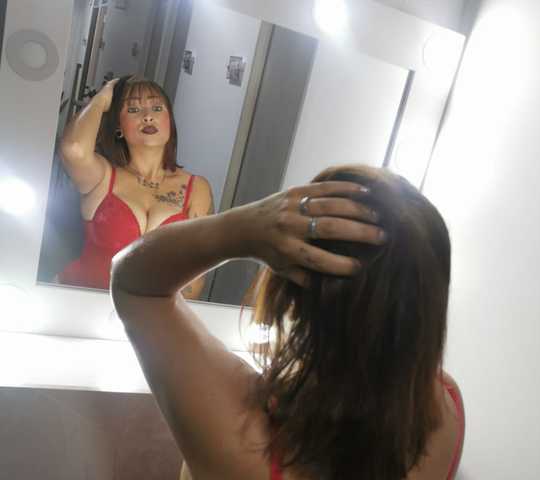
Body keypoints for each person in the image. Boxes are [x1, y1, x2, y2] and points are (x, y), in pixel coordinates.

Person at [111, 165, 465, 480]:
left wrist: (238, 230)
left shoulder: (246, 446)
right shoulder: (444, 407)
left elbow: (135, 285)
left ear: (293, 283)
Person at [56, 75, 212, 300]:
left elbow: (195, 278)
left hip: (147, 315)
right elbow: (74, 148)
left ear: (169, 121)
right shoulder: (103, 176)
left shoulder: (196, 188)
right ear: (119, 127)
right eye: (133, 110)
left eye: (157, 108)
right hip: (75, 303)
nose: (148, 116)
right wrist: (102, 99)